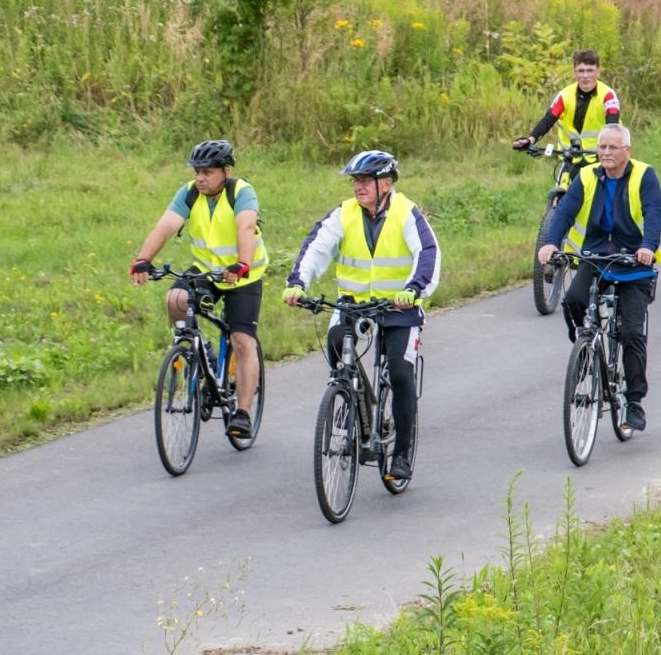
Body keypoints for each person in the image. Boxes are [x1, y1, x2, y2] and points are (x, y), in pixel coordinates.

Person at [284, 150, 441, 481]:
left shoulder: (406, 213)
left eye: (364, 180)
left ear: (385, 183)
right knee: (337, 345)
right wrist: (298, 282)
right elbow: (316, 246)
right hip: (354, 304)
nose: (358, 187)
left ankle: (400, 454)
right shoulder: (344, 213)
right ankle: (352, 395)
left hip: (398, 308)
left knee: (399, 373)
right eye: (355, 180)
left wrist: (414, 288)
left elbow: (427, 254)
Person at [129, 139, 266, 438]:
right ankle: (197, 348)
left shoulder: (241, 192)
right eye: (197, 172)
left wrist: (242, 263)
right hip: (206, 270)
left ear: (225, 171)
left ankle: (242, 412)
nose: (200, 178)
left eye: (207, 172)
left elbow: (245, 227)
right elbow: (164, 225)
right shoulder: (190, 193)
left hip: (242, 275)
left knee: (242, 340)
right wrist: (143, 259)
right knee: (176, 299)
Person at [536, 124, 661, 432]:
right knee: (573, 301)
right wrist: (550, 242)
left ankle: (634, 402)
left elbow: (653, 212)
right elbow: (565, 212)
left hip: (634, 262)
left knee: (632, 333)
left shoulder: (644, 176)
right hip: (596, 256)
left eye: (611, 147)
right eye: (601, 147)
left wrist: (647, 247)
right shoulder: (588, 176)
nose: (604, 153)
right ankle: (585, 348)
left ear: (627, 151)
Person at [512, 49, 620, 152]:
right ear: (575, 73)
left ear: (598, 72)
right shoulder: (564, 95)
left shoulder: (608, 95)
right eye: (581, 71)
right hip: (570, 158)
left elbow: (612, 124)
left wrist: (609, 147)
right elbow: (548, 120)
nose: (585, 76)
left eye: (590, 70)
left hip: (599, 158)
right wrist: (530, 140)